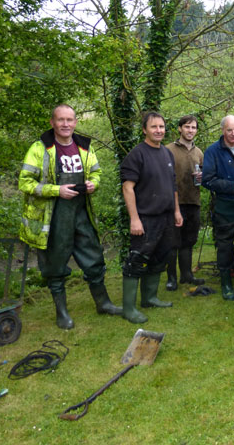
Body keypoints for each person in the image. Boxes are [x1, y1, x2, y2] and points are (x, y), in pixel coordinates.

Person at [19, 104, 121, 330]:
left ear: (75, 122)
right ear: (52, 123)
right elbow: (25, 182)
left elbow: (96, 172)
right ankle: (62, 313)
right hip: (53, 217)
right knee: (55, 264)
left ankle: (103, 303)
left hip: (81, 212)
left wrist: (94, 183)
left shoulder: (84, 147)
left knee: (94, 257)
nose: (65, 124)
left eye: (69, 120)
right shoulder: (40, 149)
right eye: (60, 120)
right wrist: (57, 190)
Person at [120, 112, 183, 323]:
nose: (159, 130)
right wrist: (134, 219)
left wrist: (176, 211)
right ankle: (128, 308)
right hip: (145, 218)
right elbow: (127, 188)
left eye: (162, 126)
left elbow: (172, 185)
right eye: (154, 127)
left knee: (159, 258)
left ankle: (150, 298)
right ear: (145, 130)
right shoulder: (137, 154)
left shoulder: (167, 154)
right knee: (137, 260)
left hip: (166, 217)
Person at [202, 115, 234, 301]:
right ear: (223, 130)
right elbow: (207, 180)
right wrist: (233, 186)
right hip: (225, 207)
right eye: (229, 130)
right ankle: (226, 283)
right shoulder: (212, 151)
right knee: (225, 247)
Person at [165, 115, 206, 291]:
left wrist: (202, 177)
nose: (190, 130)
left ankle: (187, 275)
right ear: (180, 128)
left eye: (194, 128)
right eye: (187, 127)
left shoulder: (199, 153)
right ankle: (171, 278)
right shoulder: (167, 150)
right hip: (173, 203)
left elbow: (203, 177)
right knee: (173, 242)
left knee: (189, 241)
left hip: (193, 201)